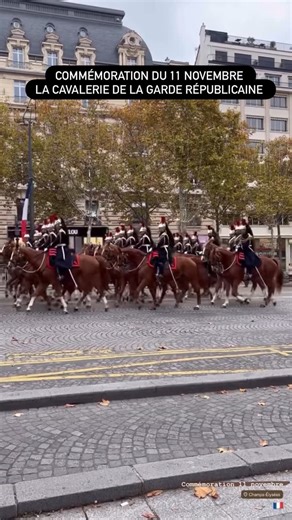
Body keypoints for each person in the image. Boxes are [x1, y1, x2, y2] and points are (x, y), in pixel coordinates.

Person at [51, 216, 73, 281]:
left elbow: (58, 240)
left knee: (59, 260)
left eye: (56, 225)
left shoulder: (61, 231)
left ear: (59, 225)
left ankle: (62, 274)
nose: (55, 227)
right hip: (60, 247)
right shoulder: (60, 231)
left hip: (62, 248)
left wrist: (52, 245)